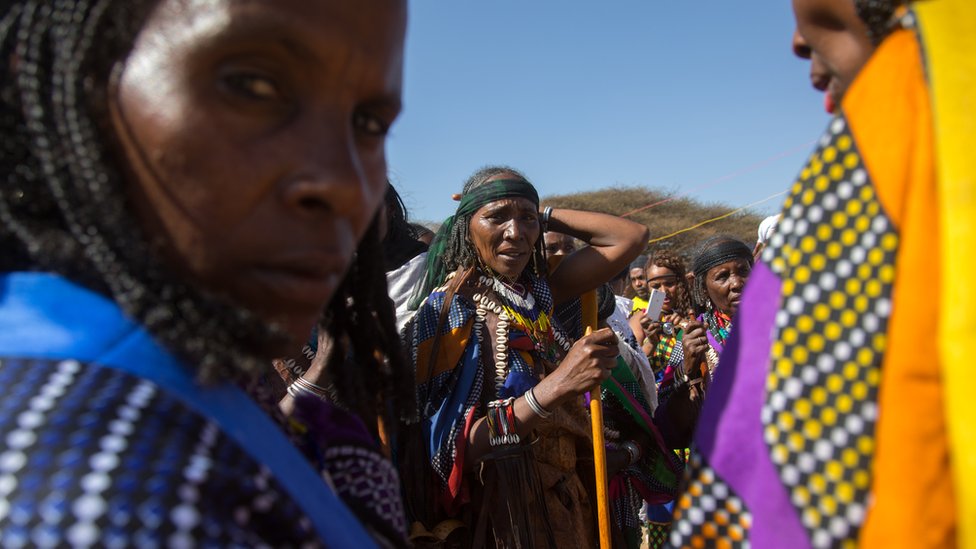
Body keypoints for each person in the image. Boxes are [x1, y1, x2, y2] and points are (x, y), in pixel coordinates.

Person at [0, 0, 411, 546]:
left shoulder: (194, 370)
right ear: (64, 84)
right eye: (251, 85)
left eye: (369, 123)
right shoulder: (114, 492)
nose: (346, 185)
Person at [669, 0, 974, 546]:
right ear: (702, 287)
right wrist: (690, 373)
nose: (797, 41)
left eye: (744, 271)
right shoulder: (693, 336)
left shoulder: (897, 126)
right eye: (722, 277)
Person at [401, 166, 654, 548]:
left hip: (567, 505)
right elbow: (452, 451)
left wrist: (543, 212)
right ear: (466, 226)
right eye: (496, 216)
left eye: (526, 219)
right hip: (505, 518)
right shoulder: (448, 313)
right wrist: (557, 386)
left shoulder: (536, 293)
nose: (515, 232)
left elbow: (630, 237)